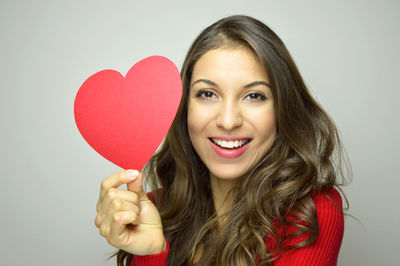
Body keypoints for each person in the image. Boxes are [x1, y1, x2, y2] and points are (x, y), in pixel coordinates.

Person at [95, 15, 348, 266]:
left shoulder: (312, 213)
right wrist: (153, 249)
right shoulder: (153, 211)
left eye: (254, 96)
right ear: (184, 109)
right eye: (207, 94)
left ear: (282, 110)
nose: (228, 121)